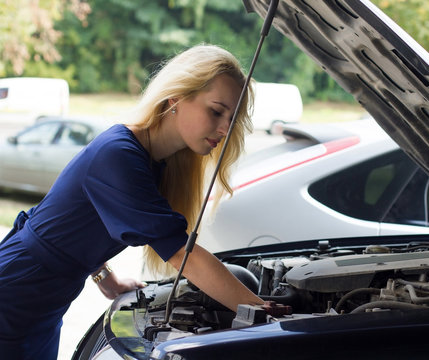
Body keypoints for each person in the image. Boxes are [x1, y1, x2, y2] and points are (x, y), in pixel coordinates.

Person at [0, 44, 264, 359]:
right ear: (176, 98)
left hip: (43, 300)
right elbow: (183, 255)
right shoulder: (119, 154)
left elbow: (76, 222)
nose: (225, 128)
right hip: (15, 292)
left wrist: (104, 278)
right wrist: (264, 312)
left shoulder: (155, 163)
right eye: (216, 110)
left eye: (232, 118)